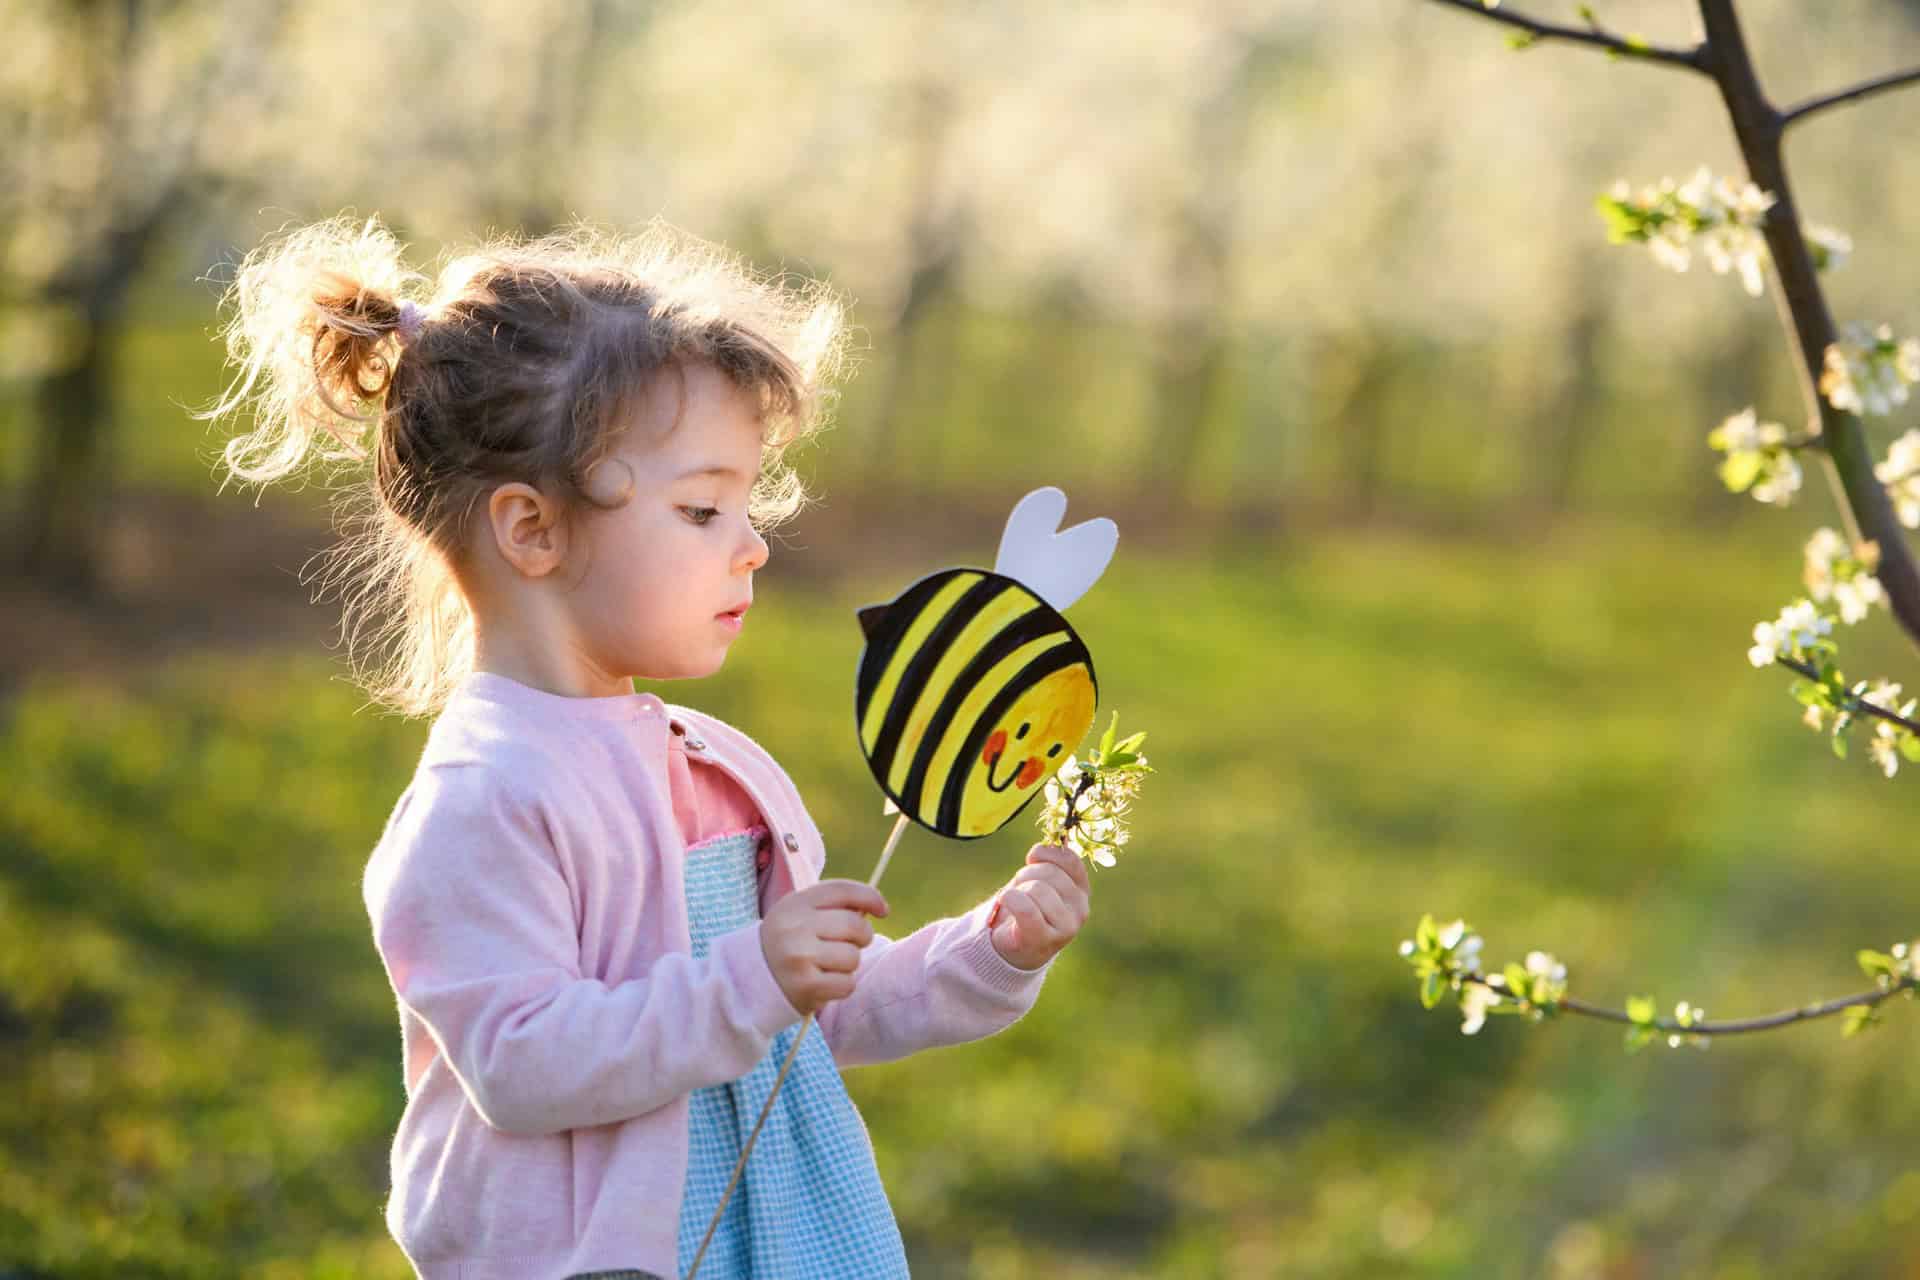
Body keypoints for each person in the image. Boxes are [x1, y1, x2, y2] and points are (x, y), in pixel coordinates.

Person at [200, 216, 1093, 1280]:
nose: (753, 543)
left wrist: (990, 950)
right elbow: (522, 1062)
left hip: (775, 1232)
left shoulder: (713, 768)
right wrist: (751, 978)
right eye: (704, 507)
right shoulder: (486, 799)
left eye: (747, 503)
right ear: (532, 529)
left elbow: (807, 1016)